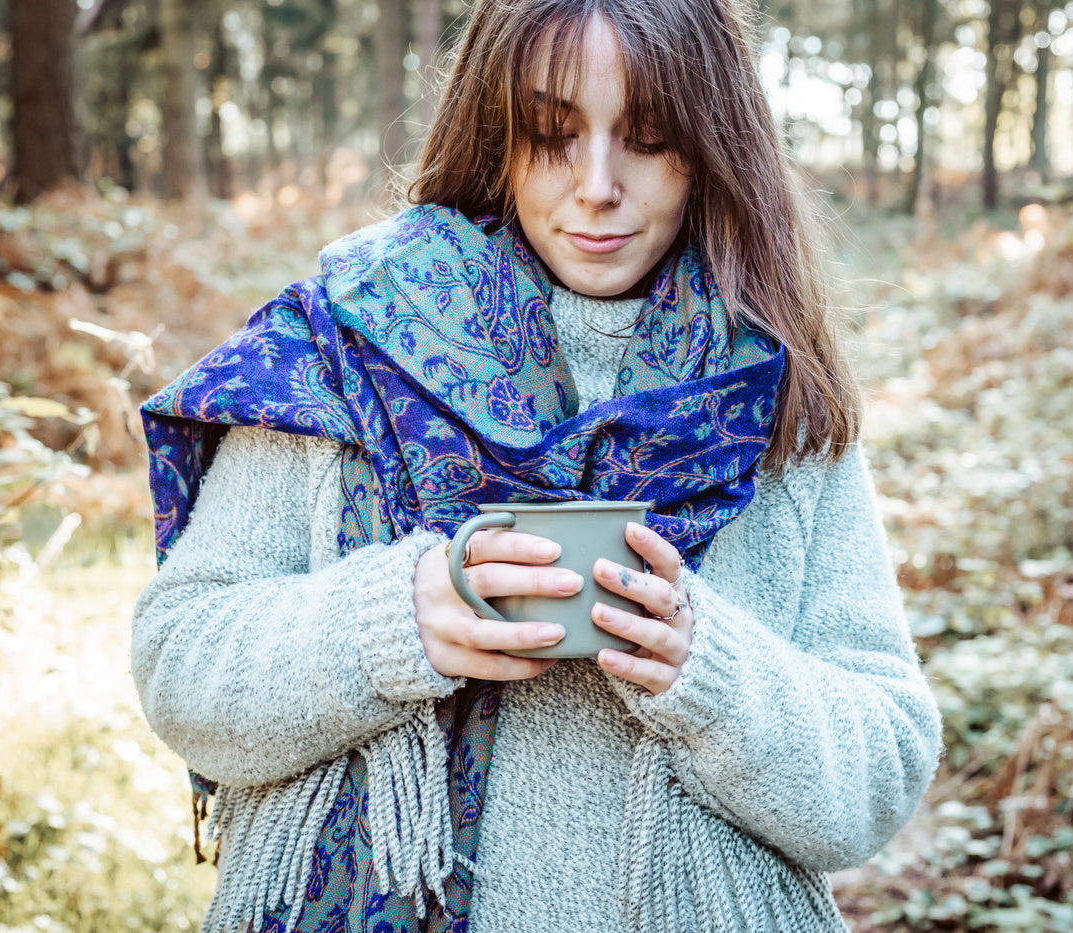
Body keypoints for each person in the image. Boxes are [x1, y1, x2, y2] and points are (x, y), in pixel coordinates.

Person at [132, 0, 941, 930]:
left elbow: (882, 770)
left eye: (649, 136)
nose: (598, 185)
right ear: (498, 132)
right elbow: (180, 660)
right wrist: (394, 620)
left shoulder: (774, 392)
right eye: (554, 133)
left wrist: (707, 669)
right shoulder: (351, 343)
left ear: (713, 145)